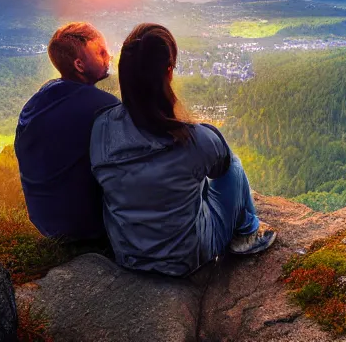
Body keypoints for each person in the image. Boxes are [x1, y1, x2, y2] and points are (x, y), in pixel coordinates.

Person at [90, 23, 276, 277]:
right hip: (186, 258)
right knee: (233, 164)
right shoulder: (194, 139)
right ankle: (248, 232)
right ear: (168, 72)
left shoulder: (102, 127)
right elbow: (221, 168)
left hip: (127, 254)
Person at [15, 22, 119, 241]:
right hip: (85, 226)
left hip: (44, 221)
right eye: (100, 52)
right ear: (79, 65)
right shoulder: (104, 107)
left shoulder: (36, 103)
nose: (108, 55)